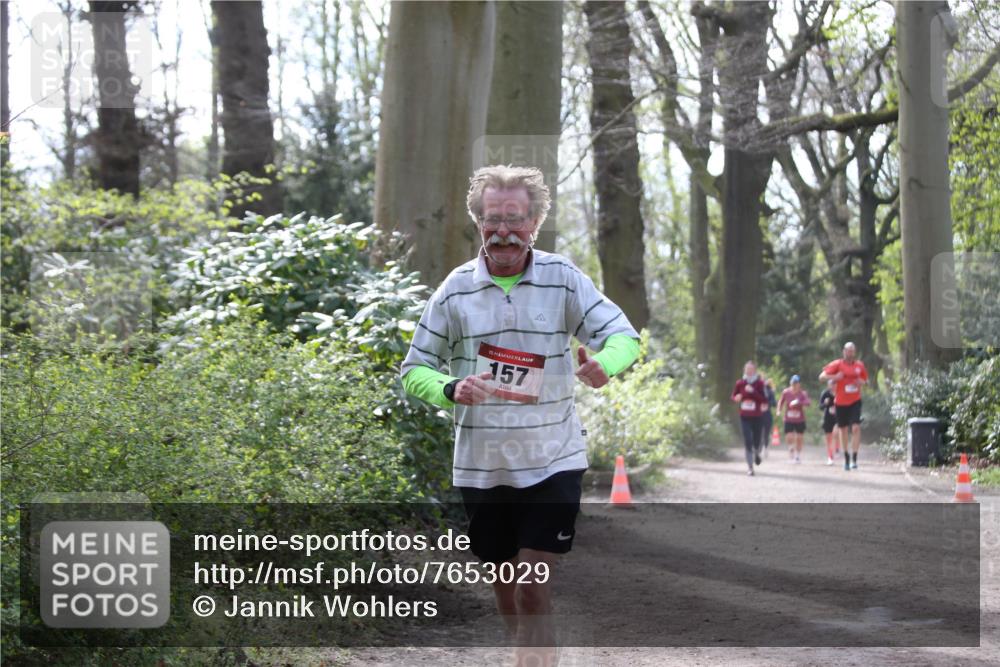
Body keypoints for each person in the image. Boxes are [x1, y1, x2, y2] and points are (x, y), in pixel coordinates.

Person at [400, 165, 640, 662]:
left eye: (514, 219)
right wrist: (451, 388)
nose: (503, 230)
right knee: (508, 591)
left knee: (532, 589)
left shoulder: (562, 279)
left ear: (534, 223)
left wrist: (606, 364)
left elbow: (623, 336)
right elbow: (414, 369)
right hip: (483, 466)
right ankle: (531, 651)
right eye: (493, 219)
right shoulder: (456, 290)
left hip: (553, 459)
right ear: (478, 223)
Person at [819, 342, 869, 470]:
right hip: (840, 402)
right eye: (848, 351)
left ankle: (854, 458)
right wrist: (835, 376)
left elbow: (865, 380)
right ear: (844, 351)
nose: (850, 353)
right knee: (843, 430)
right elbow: (822, 377)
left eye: (852, 351)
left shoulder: (859, 365)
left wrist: (861, 382)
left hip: (855, 401)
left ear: (854, 352)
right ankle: (846, 456)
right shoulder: (837, 364)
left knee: (856, 428)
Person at [731, 361, 767, 476]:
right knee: (747, 439)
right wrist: (736, 398)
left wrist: (753, 392)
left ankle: (756, 452)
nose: (749, 371)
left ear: (754, 370)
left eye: (751, 369)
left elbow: (764, 399)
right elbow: (733, 396)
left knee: (757, 440)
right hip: (744, 416)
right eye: (747, 369)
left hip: (757, 416)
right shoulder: (740, 383)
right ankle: (750, 467)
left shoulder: (760, 383)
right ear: (744, 370)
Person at [777, 375, 811, 464]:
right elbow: (781, 402)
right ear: (790, 383)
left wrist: (799, 402)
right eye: (793, 383)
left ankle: (798, 456)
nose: (794, 385)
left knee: (799, 437)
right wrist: (779, 411)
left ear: (799, 384)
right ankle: (791, 448)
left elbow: (808, 402)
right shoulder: (786, 392)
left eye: (796, 383)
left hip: (800, 419)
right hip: (788, 418)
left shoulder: (803, 393)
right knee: (789, 436)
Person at [819, 379, 839, 465]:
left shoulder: (840, 393)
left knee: (836, 433)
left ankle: (837, 447)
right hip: (828, 418)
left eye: (835, 384)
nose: (833, 386)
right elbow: (820, 407)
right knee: (828, 438)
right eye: (831, 384)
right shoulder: (825, 393)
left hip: (838, 418)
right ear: (828, 385)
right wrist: (825, 403)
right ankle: (830, 457)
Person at [760, 376, 777, 459]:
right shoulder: (754, 391)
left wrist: (767, 403)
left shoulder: (769, 391)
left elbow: (774, 403)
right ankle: (758, 448)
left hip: (767, 415)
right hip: (756, 415)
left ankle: (765, 447)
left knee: (766, 433)